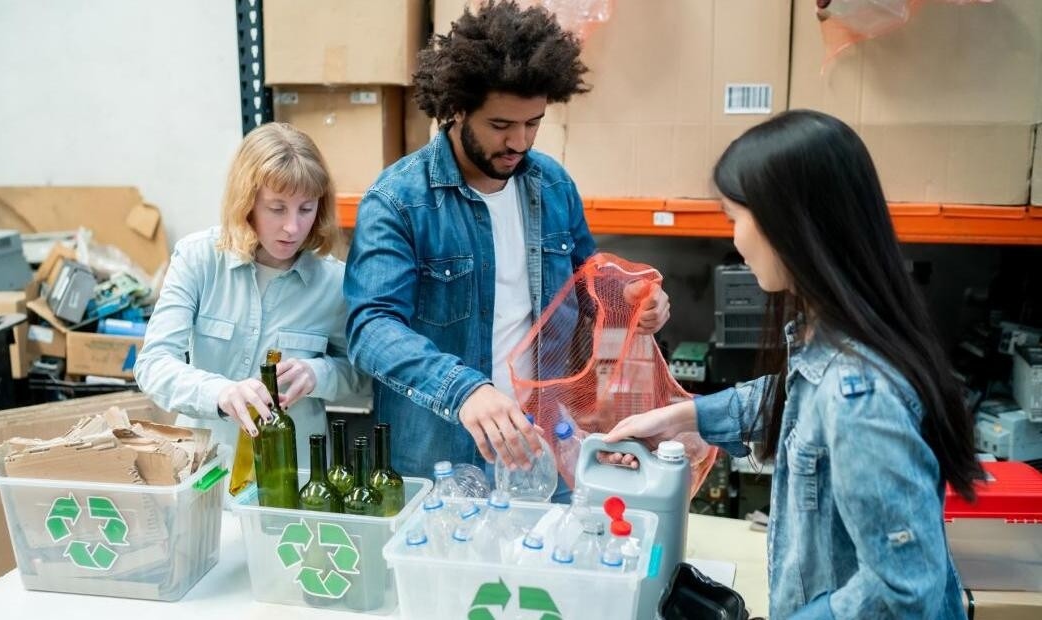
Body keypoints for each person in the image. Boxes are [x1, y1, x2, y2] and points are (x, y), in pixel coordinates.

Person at [605, 110, 980, 618]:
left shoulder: (858, 392)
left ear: (792, 226)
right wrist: (685, 418)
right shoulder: (833, 337)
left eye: (736, 218)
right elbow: (795, 399)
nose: (735, 239)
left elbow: (903, 588)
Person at [343, 0, 670, 485]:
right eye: (500, 125)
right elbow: (370, 328)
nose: (519, 141)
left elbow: (589, 290)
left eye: (533, 123)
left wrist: (634, 304)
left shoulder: (554, 187)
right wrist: (464, 390)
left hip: (546, 450)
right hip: (441, 463)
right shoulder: (398, 201)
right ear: (456, 109)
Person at [135, 122, 370, 478]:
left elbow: (364, 376)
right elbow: (153, 365)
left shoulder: (335, 282)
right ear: (246, 203)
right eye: (277, 209)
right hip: (201, 471)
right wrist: (220, 392)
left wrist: (318, 373)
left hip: (295, 478)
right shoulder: (199, 259)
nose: (293, 227)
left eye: (305, 209)